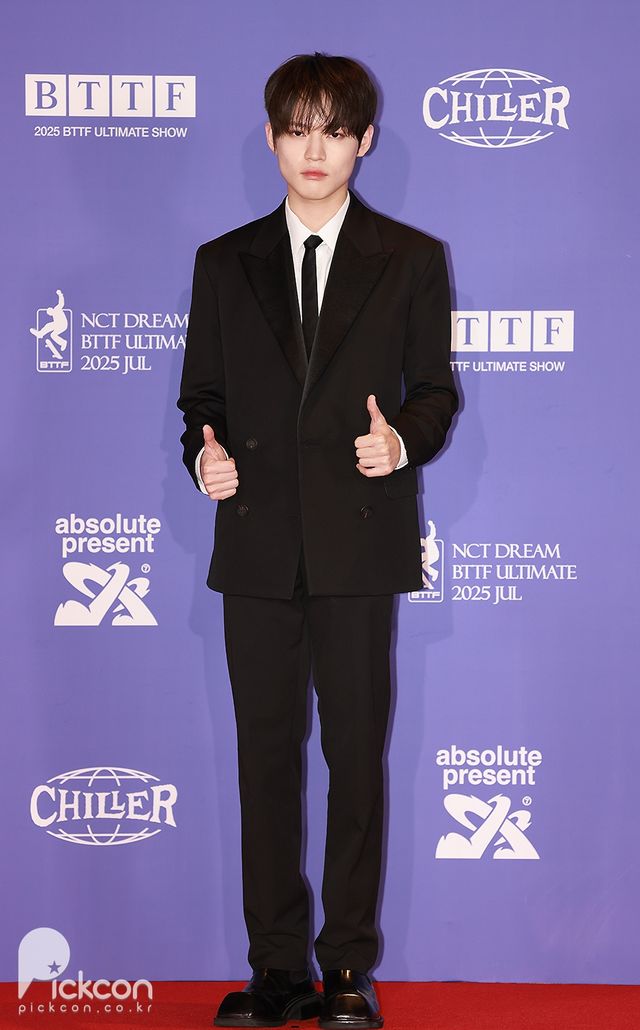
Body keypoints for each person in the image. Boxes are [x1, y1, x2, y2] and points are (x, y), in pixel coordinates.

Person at [177, 51, 458, 1029]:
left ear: (363, 141)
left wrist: (401, 441)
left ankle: (345, 972)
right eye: (296, 128)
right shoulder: (223, 263)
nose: (314, 149)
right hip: (257, 548)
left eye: (334, 130)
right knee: (263, 762)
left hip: (358, 543)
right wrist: (203, 456)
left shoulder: (410, 259)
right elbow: (201, 400)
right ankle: (274, 972)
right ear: (269, 138)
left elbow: (436, 393)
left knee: (354, 761)